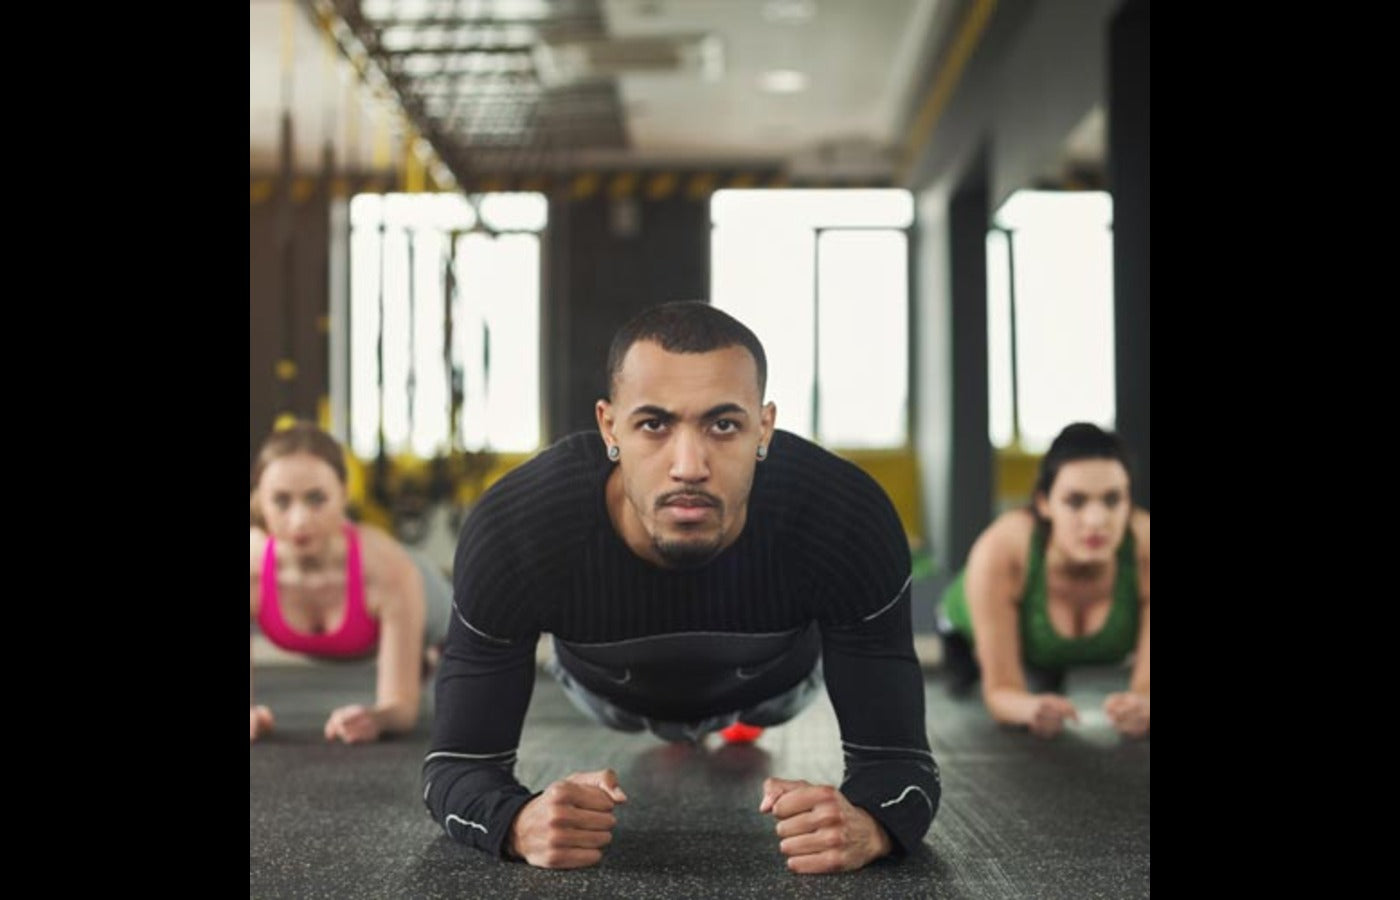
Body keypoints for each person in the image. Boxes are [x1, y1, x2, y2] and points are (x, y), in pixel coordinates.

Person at [423, 302, 939, 873]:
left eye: (723, 425)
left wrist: (872, 826)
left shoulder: (846, 518)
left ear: (764, 428)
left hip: (771, 684)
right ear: (608, 426)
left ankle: (736, 722)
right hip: (608, 691)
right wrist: (516, 823)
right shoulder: (515, 529)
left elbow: (901, 765)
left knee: (771, 701)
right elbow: (456, 766)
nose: (689, 465)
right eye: (654, 424)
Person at [936, 422, 1150, 739]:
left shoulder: (1145, 549)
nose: (1096, 520)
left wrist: (1142, 706)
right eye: (1076, 501)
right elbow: (1001, 692)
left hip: (1044, 645)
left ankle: (1048, 671)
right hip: (965, 627)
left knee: (1044, 682)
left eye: (1112, 499)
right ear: (1043, 503)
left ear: (1129, 502)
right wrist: (1026, 708)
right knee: (985, 685)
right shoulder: (1001, 549)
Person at [249, 421, 453, 744]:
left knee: (468, 708)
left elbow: (400, 709)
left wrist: (377, 717)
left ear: (343, 494)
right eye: (282, 501)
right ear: (260, 501)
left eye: (316, 499)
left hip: (435, 607)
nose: (300, 520)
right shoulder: (253, 568)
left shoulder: (389, 569)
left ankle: (422, 655)